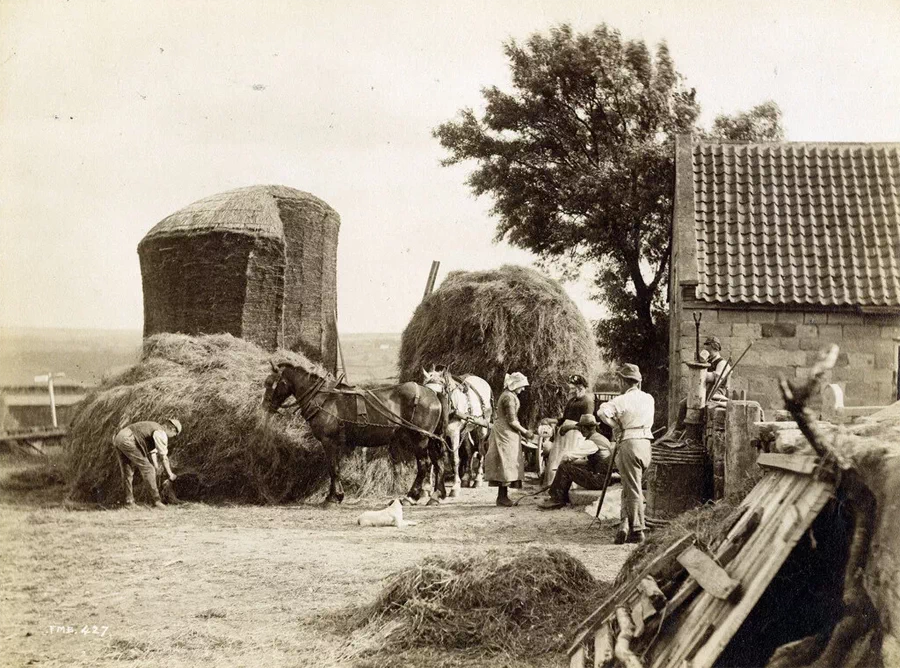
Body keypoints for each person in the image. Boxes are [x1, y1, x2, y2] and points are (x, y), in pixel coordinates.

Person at [597, 364, 654, 544]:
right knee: (630, 486)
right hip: (646, 444)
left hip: (630, 442)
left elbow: (601, 412)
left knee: (633, 488)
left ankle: (637, 530)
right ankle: (624, 525)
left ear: (623, 381)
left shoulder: (622, 400)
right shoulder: (649, 398)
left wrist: (616, 425)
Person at [538, 413, 612, 510]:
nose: (580, 431)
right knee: (570, 466)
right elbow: (595, 462)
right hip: (605, 477)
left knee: (565, 468)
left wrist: (562, 465)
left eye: (580, 428)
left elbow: (568, 456)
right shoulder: (601, 438)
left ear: (584, 429)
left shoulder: (591, 442)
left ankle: (557, 499)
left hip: (599, 480)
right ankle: (561, 496)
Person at [484, 372, 533, 507]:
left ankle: (503, 496)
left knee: (506, 462)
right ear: (515, 385)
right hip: (505, 432)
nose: (523, 389)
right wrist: (526, 432)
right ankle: (502, 497)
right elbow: (512, 421)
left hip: (506, 431)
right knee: (505, 462)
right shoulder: (509, 398)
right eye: (521, 386)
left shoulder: (508, 395)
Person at [113, 418, 181, 509]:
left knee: (127, 471)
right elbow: (164, 457)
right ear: (172, 429)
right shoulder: (161, 433)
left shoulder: (154, 428)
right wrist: (170, 474)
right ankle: (156, 501)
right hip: (128, 439)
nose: (172, 436)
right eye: (174, 435)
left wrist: (156, 467)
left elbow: (152, 452)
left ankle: (128, 502)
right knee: (148, 469)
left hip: (119, 437)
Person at [545, 374, 595, 485]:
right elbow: (564, 419)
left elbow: (587, 423)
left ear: (583, 388)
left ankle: (569, 485)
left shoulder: (588, 402)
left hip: (576, 434)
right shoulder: (571, 401)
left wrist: (570, 427)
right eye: (573, 388)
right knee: (558, 457)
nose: (575, 391)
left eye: (579, 388)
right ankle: (554, 484)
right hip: (564, 435)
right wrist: (552, 420)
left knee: (570, 456)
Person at [703, 336, 730, 401]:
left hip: (718, 392)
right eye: (706, 351)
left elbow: (717, 384)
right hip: (707, 391)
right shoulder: (708, 361)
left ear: (715, 349)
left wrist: (707, 397)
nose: (708, 353)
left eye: (709, 351)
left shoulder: (721, 363)